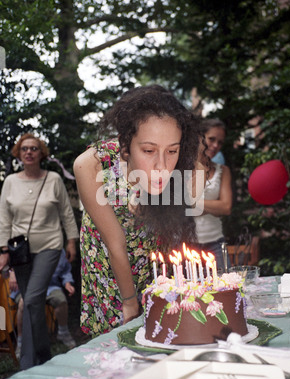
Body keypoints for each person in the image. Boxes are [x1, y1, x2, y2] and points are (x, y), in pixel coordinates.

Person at [74, 85, 206, 336]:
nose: (162, 165)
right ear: (125, 145)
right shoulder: (92, 165)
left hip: (153, 268)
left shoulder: (182, 167)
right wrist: (130, 304)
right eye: (148, 150)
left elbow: (193, 201)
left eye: (172, 150)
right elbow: (116, 243)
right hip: (111, 273)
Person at [0, 133, 79, 370]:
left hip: (49, 246)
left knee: (32, 298)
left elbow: (66, 212)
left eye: (34, 148)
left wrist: (71, 241)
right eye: (24, 149)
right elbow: (4, 218)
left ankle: (27, 362)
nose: (29, 152)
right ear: (18, 153)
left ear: (41, 153)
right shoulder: (11, 182)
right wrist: (3, 249)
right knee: (32, 303)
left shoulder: (53, 179)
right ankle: (44, 355)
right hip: (19, 251)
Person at [9, 249, 76, 357]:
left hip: (50, 286)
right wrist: (12, 272)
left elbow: (65, 270)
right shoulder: (27, 246)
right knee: (23, 303)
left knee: (60, 299)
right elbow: (12, 262)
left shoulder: (57, 248)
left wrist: (67, 283)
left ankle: (63, 333)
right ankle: (21, 341)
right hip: (28, 287)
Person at [194, 119, 232, 271]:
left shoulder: (223, 171)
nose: (216, 145)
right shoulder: (180, 168)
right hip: (186, 247)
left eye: (220, 142)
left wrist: (193, 203)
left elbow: (226, 207)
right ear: (199, 137)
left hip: (216, 243)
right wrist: (213, 206)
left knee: (226, 290)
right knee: (188, 293)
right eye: (211, 139)